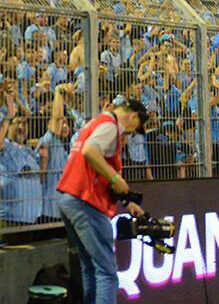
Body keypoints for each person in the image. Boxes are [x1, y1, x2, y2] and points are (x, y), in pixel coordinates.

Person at [55, 98, 148, 304]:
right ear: (132, 116)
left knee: (90, 268)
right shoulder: (110, 126)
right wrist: (116, 178)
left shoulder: (97, 122)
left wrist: (127, 201)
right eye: (133, 129)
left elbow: (96, 169)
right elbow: (90, 151)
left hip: (69, 200)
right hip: (85, 204)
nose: (129, 135)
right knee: (107, 273)